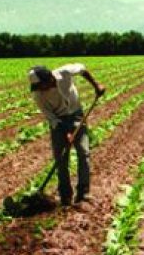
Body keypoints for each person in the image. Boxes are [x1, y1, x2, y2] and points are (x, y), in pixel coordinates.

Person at [28, 63, 105, 206]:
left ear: (49, 79)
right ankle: (65, 196)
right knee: (61, 159)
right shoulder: (38, 95)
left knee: (84, 153)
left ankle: (83, 193)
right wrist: (66, 132)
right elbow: (50, 117)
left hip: (77, 116)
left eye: (41, 86)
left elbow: (82, 69)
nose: (40, 89)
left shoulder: (64, 73)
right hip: (58, 122)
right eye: (37, 87)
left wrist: (96, 85)